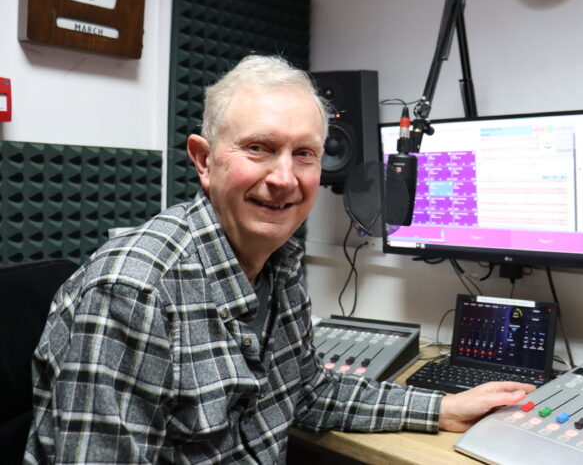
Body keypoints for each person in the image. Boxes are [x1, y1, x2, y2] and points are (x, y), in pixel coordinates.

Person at [24, 55, 534, 464]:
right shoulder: (134, 291)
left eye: (304, 154)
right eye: (259, 148)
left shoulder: (279, 262)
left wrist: (443, 407)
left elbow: (307, 392)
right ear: (204, 160)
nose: (285, 178)